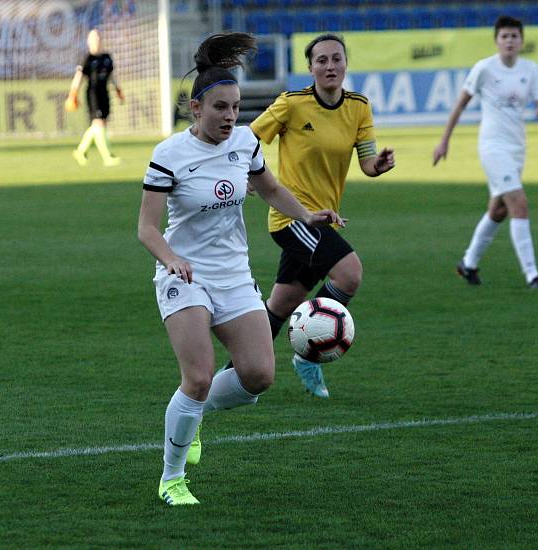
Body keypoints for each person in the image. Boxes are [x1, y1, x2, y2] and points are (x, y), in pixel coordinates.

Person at [137, 32, 343, 506]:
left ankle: (192, 412)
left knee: (258, 375)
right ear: (196, 109)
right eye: (220, 109)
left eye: (235, 108)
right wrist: (172, 259)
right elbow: (147, 229)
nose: (231, 117)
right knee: (199, 375)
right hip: (183, 275)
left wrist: (306, 214)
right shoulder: (169, 154)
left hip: (233, 275)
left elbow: (269, 189)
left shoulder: (246, 142)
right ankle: (172, 480)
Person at [246, 32, 395, 399]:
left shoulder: (359, 106)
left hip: (323, 220)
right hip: (291, 219)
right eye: (322, 60)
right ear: (309, 67)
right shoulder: (292, 103)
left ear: (346, 63)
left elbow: (366, 163)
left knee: (279, 306)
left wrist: (379, 164)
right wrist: (245, 175)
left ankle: (237, 372)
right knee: (349, 272)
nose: (330, 65)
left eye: (336, 59)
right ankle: (310, 351)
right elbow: (248, 140)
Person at [433, 15, 538, 290]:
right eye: (505, 36)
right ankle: (532, 275)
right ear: (497, 41)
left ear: (522, 40)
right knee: (519, 204)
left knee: (498, 210)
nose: (510, 41)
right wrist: (444, 141)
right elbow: (460, 105)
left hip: (516, 148)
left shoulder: (530, 69)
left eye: (514, 36)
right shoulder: (484, 68)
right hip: (492, 146)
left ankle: (468, 263)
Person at [66, 29, 124, 167]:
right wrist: (73, 93)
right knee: (98, 124)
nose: (97, 40)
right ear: (88, 41)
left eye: (99, 38)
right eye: (94, 38)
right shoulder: (87, 59)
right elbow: (79, 77)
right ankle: (107, 157)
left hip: (104, 93)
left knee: (99, 125)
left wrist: (118, 90)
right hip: (93, 94)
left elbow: (111, 76)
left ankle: (80, 151)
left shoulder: (107, 57)